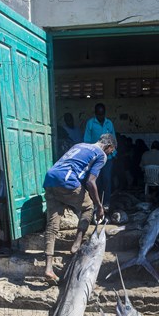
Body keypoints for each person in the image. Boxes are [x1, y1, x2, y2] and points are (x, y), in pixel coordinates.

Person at [43, 133, 117, 284]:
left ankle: (48, 268)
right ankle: (77, 244)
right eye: (111, 151)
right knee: (88, 207)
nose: (110, 155)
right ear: (109, 146)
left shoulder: (80, 145)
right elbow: (91, 182)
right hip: (66, 180)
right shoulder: (101, 154)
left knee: (52, 226)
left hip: (50, 179)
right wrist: (99, 206)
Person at [84, 104, 116, 209]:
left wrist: (114, 153)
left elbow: (113, 139)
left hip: (108, 158)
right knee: (95, 181)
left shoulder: (109, 123)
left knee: (106, 180)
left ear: (105, 113)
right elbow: (87, 140)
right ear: (95, 113)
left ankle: (106, 203)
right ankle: (95, 204)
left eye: (102, 114)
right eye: (98, 114)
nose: (101, 116)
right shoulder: (90, 123)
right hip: (95, 158)